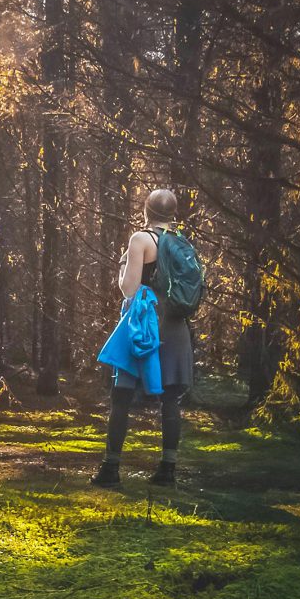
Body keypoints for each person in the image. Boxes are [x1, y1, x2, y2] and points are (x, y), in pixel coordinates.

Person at [91, 188, 195, 488]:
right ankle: (168, 471)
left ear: (146, 211)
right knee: (171, 398)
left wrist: (123, 267)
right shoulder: (182, 243)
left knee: (121, 395)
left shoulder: (140, 239)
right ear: (173, 214)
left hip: (144, 324)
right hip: (175, 325)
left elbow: (129, 289)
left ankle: (110, 470)